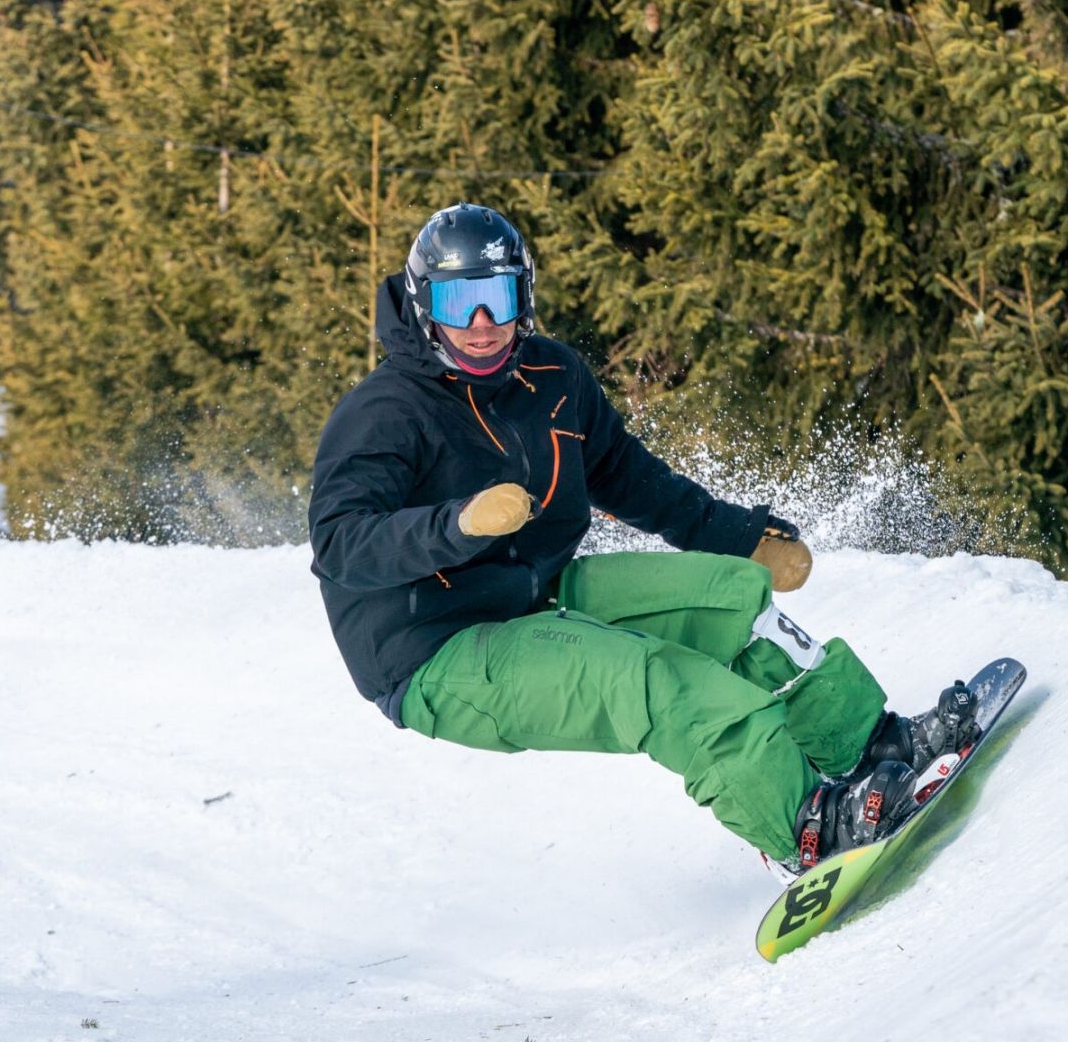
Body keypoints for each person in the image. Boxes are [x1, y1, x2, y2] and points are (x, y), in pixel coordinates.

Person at [307, 203, 977, 875]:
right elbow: (340, 543)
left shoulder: (553, 378)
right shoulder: (385, 412)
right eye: (459, 301)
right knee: (650, 680)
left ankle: (873, 747)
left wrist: (738, 537)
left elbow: (628, 477)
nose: (481, 324)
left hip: (533, 591)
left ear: (523, 294)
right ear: (427, 306)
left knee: (729, 598)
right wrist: (454, 526)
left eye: (496, 296)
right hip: (434, 648)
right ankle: (805, 825)